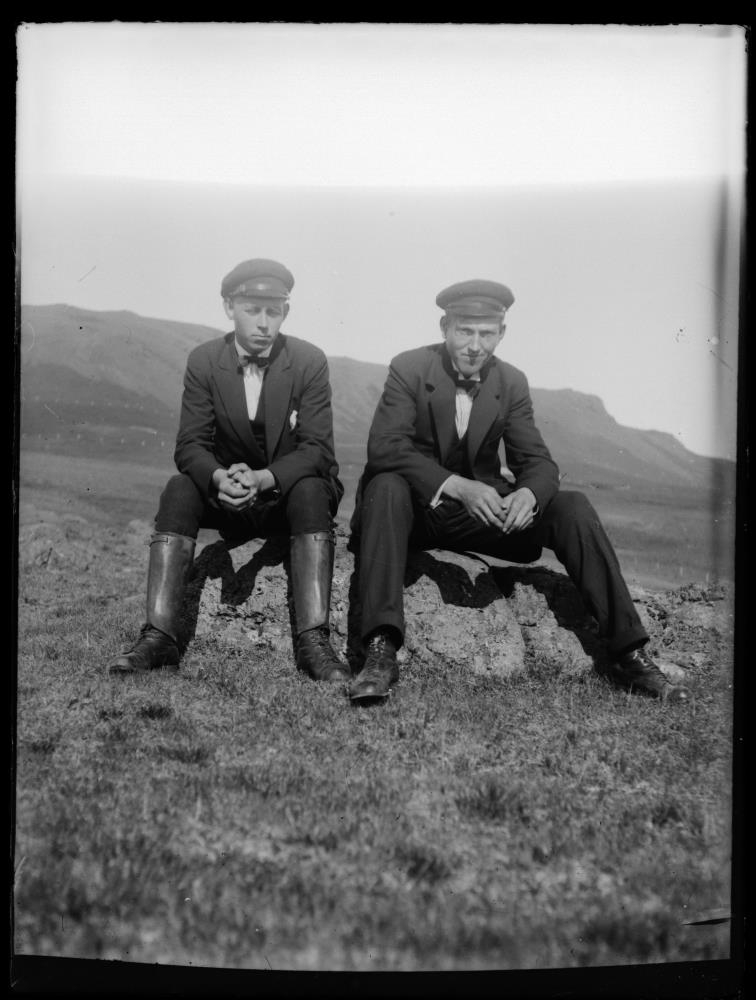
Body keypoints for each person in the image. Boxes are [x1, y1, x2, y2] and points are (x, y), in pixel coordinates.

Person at [348, 278, 689, 704]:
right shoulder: (409, 367)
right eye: (464, 331)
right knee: (385, 484)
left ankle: (629, 654)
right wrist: (458, 487)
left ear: (502, 333)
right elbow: (384, 447)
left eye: (486, 333)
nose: (475, 346)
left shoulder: (511, 381)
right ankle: (380, 651)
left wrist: (529, 495)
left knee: (572, 505)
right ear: (444, 327)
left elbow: (539, 462)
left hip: (480, 519)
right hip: (411, 515)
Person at [108, 258, 350, 683]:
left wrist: (264, 478)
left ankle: (314, 642)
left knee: (313, 488)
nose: (263, 323)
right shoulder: (204, 360)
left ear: (286, 312)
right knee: (180, 488)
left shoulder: (309, 361)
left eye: (273, 311)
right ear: (229, 308)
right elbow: (190, 445)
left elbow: (317, 450)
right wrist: (220, 479)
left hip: (287, 498)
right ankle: (159, 636)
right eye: (252, 310)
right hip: (229, 497)